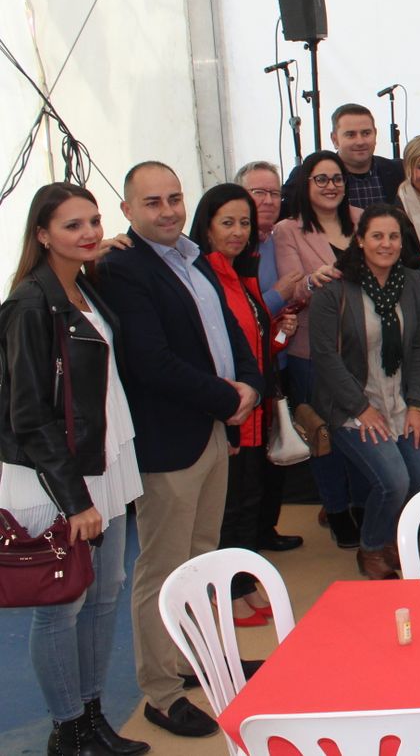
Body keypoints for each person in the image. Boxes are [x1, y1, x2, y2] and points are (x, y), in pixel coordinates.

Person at [97, 162, 262, 739]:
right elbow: (150, 361)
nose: (166, 210)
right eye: (152, 202)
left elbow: (230, 333)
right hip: (171, 441)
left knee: (202, 560)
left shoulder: (192, 258)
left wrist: (250, 385)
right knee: (162, 569)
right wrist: (228, 398)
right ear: (127, 211)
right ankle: (161, 693)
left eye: (174, 198)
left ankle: (199, 660)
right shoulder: (123, 268)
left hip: (214, 430)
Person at [0, 184, 149, 756]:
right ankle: (68, 729)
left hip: (102, 461)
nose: (89, 233)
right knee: (62, 605)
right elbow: (28, 414)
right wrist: (73, 500)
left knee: (104, 594)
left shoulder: (82, 287)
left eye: (93, 221)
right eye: (71, 226)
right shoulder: (30, 304)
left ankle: (92, 718)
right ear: (42, 234)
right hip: (59, 477)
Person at [308, 205, 420, 579]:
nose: (386, 244)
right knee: (394, 481)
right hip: (351, 407)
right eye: (377, 236)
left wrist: (416, 405)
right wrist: (361, 408)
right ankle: (371, 548)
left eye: (394, 236)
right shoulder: (334, 289)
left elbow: (419, 347)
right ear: (360, 240)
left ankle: (393, 536)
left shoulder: (413, 283)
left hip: (401, 402)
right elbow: (325, 357)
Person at [188, 184, 293, 627]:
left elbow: (250, 342)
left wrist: (277, 330)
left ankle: (242, 584)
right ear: (207, 226)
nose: (237, 231)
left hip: (253, 409)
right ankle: (225, 593)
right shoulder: (201, 275)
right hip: (228, 414)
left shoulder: (240, 273)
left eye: (244, 223)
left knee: (248, 501)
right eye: (227, 222)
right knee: (229, 508)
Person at [272, 149, 368, 549]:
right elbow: (290, 289)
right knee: (324, 435)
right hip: (312, 350)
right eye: (321, 179)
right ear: (305, 185)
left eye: (337, 179)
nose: (331, 186)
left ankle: (363, 506)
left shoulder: (364, 220)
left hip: (364, 349)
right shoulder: (287, 230)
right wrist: (313, 281)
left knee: (365, 430)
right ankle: (336, 509)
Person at [236, 160, 304, 553]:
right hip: (245, 371)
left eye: (274, 193)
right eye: (257, 192)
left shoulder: (280, 240)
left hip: (280, 360)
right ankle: (245, 546)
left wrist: (290, 310)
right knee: (248, 464)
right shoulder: (230, 248)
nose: (267, 200)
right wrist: (278, 294)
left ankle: (266, 530)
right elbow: (241, 313)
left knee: (278, 451)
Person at [287, 103, 403, 209]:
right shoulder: (306, 175)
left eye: (366, 133)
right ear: (335, 140)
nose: (360, 141)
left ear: (375, 134)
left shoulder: (400, 171)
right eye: (351, 135)